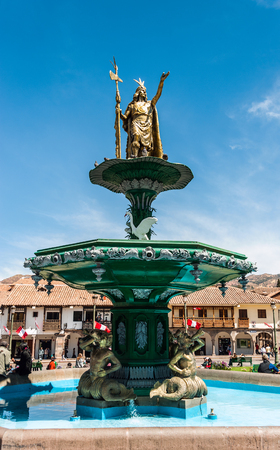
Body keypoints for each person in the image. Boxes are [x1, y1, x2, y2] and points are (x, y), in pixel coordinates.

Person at [120, 72, 170, 159]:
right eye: (141, 90)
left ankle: (145, 157)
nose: (143, 92)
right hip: (136, 123)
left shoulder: (150, 104)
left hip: (147, 125)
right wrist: (119, 113)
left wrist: (161, 82)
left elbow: (158, 95)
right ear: (138, 93)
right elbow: (125, 118)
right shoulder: (132, 105)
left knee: (145, 144)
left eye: (144, 91)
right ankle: (134, 155)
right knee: (136, 136)